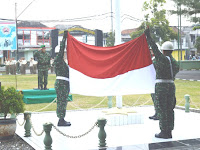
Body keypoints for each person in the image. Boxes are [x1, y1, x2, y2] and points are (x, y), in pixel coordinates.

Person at [145, 28, 179, 139]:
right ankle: (169, 130)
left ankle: (164, 131)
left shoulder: (162, 59)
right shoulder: (175, 63)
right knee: (170, 109)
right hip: (171, 86)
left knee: (162, 109)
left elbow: (154, 48)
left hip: (161, 87)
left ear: (163, 50)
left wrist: (148, 37)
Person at [53, 31, 71, 126]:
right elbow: (61, 49)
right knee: (61, 102)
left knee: (62, 102)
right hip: (61, 84)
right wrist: (64, 38)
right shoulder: (58, 60)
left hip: (63, 84)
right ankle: (61, 119)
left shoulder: (61, 61)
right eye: (63, 52)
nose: (64, 53)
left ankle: (61, 118)